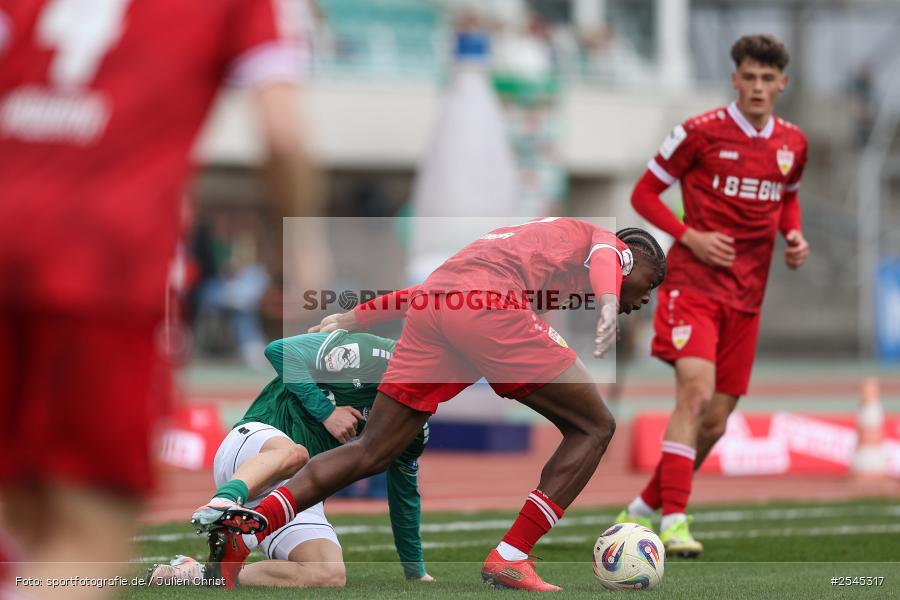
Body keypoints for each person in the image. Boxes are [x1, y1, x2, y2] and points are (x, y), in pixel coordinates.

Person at [0, 1, 322, 597]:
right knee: (86, 541)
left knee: (22, 522)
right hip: (101, 269)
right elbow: (282, 131)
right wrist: (303, 246)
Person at [197, 217, 667, 591]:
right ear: (636, 257)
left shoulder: (542, 248)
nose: (646, 297)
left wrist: (358, 314)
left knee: (373, 450)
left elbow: (437, 288)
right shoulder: (607, 244)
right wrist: (607, 303)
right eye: (650, 284)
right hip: (488, 309)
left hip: (438, 308)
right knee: (596, 425)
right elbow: (611, 259)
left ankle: (251, 529)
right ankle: (510, 556)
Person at [615, 34, 810, 557]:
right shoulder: (699, 133)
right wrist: (691, 236)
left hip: (748, 296)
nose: (758, 87)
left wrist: (793, 237)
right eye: (749, 77)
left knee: (717, 422)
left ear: (782, 84)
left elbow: (786, 202)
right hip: (693, 286)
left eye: (768, 79)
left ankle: (640, 511)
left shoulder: (793, 144)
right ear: (735, 78)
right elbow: (643, 194)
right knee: (695, 394)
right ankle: (674, 521)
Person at [149, 331, 432, 587]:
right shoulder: (371, 353)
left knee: (328, 574)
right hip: (254, 449)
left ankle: (201, 574)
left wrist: (415, 571)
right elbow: (280, 350)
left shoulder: (414, 423)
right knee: (296, 453)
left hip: (295, 493)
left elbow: (404, 494)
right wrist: (326, 412)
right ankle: (225, 501)